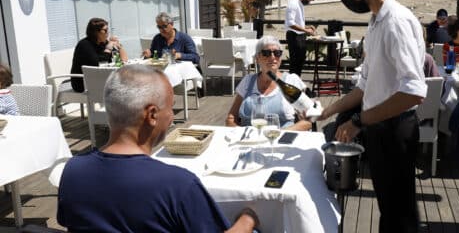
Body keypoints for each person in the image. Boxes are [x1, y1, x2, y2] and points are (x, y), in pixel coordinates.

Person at [57, 65, 259, 232]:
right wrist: (248, 219)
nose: (171, 117)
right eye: (170, 108)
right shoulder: (178, 185)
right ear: (152, 115)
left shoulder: (72, 171)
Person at [318, 0, 426, 233]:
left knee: (400, 213)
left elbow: (413, 92)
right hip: (378, 126)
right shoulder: (376, 21)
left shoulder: (396, 23)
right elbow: (366, 84)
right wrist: (328, 110)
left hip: (396, 128)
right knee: (389, 208)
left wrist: (358, 122)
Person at [225, 35, 311, 131]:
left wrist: (281, 134)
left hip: (281, 141)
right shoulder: (247, 81)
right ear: (257, 58)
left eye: (277, 53)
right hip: (249, 141)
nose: (272, 57)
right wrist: (240, 133)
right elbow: (231, 118)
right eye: (266, 53)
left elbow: (309, 120)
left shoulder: (291, 81)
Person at [71, 18, 128, 92]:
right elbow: (97, 64)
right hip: (83, 83)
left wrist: (118, 45)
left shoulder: (102, 43)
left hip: (99, 79)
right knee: (122, 86)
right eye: (105, 30)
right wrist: (108, 49)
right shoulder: (84, 45)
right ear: (95, 32)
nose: (108, 33)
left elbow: (123, 60)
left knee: (127, 82)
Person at [284, 0, 316, 76]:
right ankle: (293, 84)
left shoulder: (299, 3)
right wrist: (306, 30)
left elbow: (297, 22)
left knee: (300, 61)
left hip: (300, 36)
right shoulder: (293, 3)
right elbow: (290, 23)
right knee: (295, 63)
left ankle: (297, 82)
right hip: (294, 36)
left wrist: (307, 27)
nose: (308, 2)